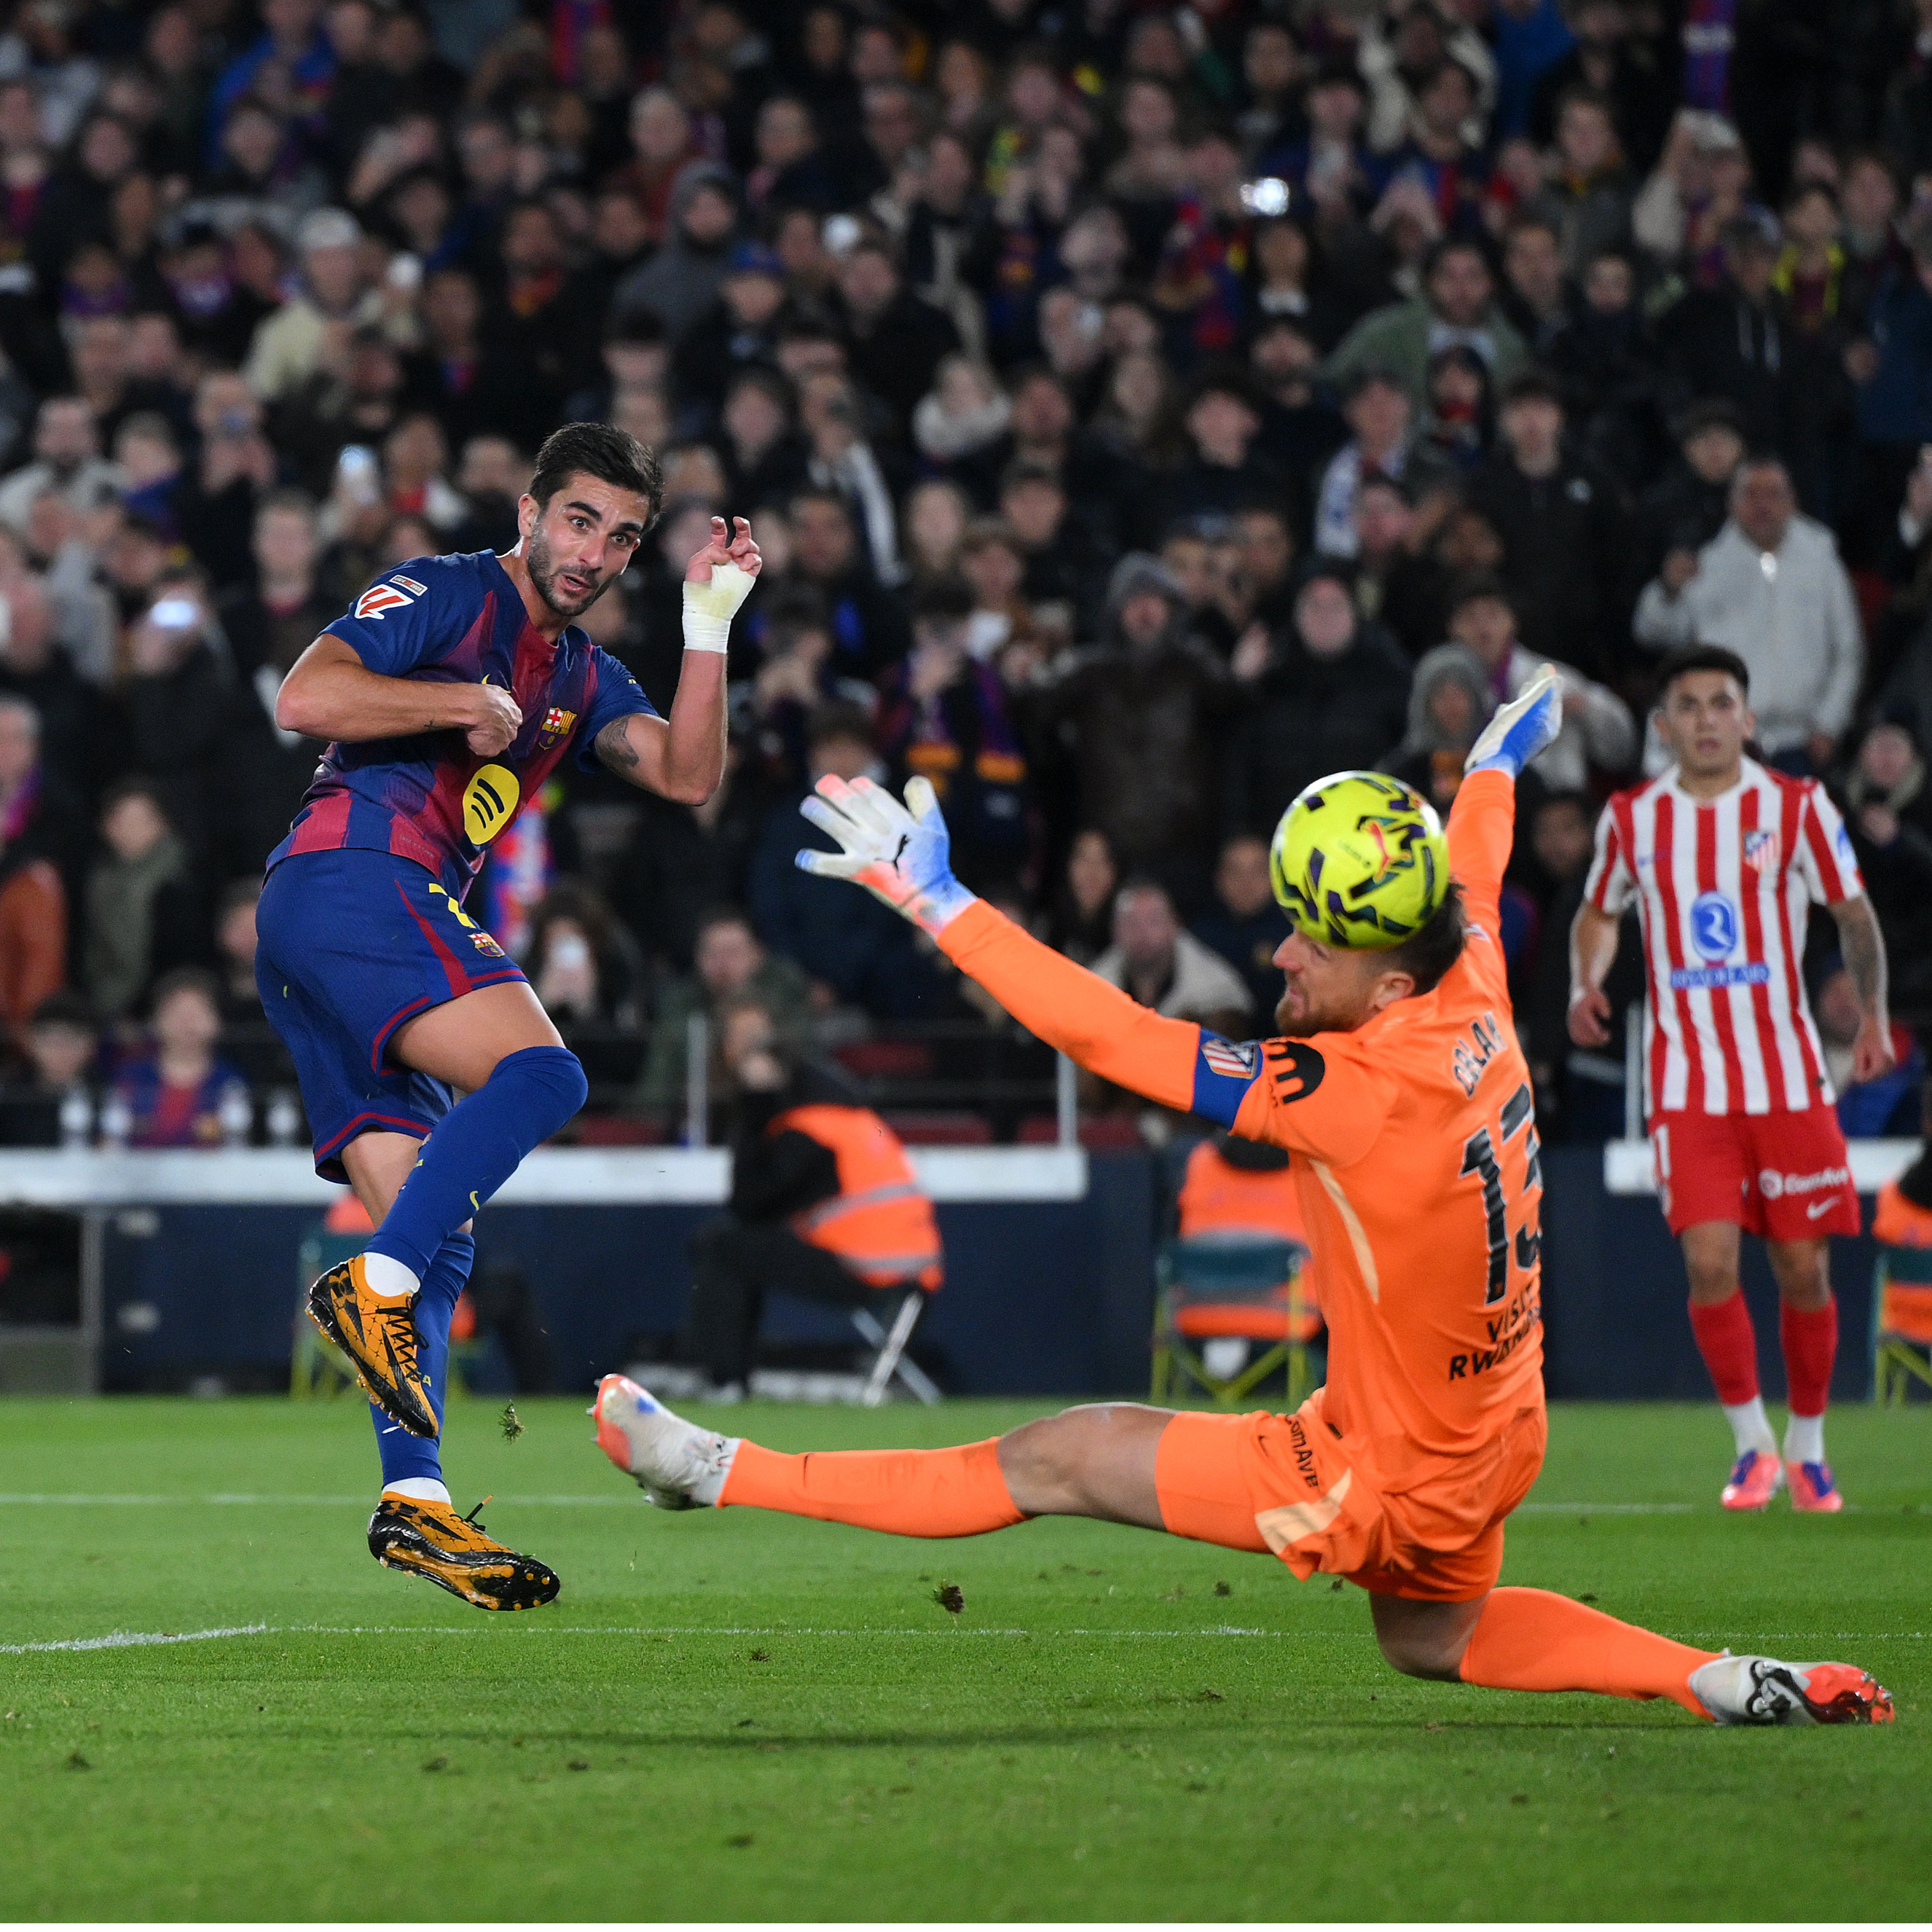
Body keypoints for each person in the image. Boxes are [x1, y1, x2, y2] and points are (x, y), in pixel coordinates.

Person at [594, 670, 1895, 1727]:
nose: (1281, 951)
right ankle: (1713, 1678)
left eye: (1311, 942)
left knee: (1053, 1454)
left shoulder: (1357, 1085)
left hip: (1378, 1475)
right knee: (1430, 1637)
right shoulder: (1473, 982)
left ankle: (709, 1470)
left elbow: (1119, 1040)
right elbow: (1479, 870)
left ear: (1384, 983)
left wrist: (942, 904)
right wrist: (1488, 763)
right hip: (1494, 1437)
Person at [260, 420, 760, 1610]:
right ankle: (368, 1289)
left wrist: (711, 624)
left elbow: (689, 775)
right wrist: (449, 701)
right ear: (530, 510)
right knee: (544, 1076)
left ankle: (417, 1502)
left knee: (440, 1235)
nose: (593, 551)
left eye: (622, 536)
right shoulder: (449, 592)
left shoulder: (580, 676)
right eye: (579, 518)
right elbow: (305, 693)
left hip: (330, 930)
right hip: (358, 877)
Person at [1568, 646, 1892, 1514]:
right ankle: (1752, 1447)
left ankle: (1811, 1447)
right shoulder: (1633, 819)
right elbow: (1600, 910)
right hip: (1689, 1086)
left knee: (1803, 1270)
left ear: (1748, 720)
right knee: (1710, 1263)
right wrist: (1584, 982)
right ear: (1664, 725)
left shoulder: (1796, 807)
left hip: (1786, 1080)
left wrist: (1873, 1019)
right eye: (1689, 704)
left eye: (1722, 703)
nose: (1706, 718)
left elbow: (1852, 915)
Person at [668, 997, 943, 1399]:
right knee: (736, 1247)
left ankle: (725, 1381)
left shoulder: (809, 1124)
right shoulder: (844, 1108)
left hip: (868, 1267)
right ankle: (730, 1378)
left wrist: (755, 1102)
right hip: (912, 1266)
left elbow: (749, 1201)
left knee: (721, 1246)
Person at [1631, 457, 1862, 773]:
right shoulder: (1706, 561)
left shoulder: (1822, 558)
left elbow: (1848, 651)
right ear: (1732, 502)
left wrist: (1829, 725)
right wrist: (1668, 590)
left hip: (1804, 742)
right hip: (1726, 740)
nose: (1762, 505)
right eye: (1751, 494)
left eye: (1773, 494)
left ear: (1792, 500)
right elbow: (1653, 633)